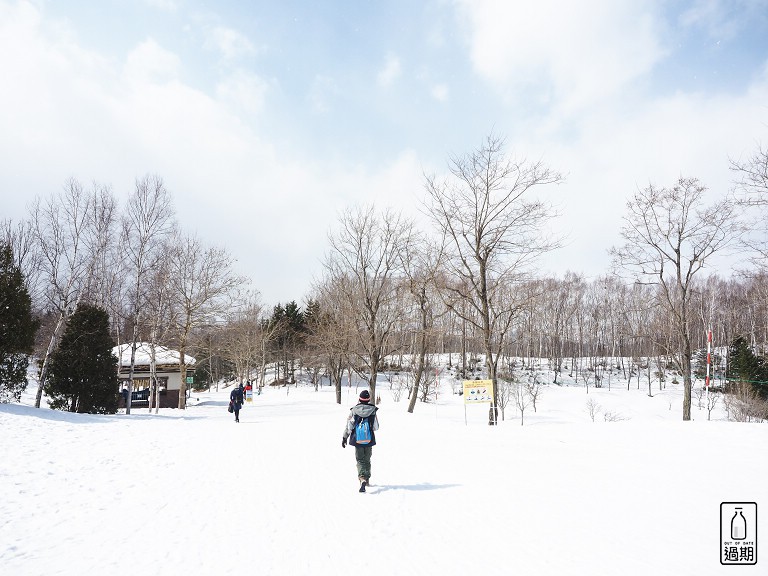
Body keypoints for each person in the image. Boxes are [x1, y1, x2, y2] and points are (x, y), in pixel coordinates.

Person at [341, 390, 379, 492]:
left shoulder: (354, 410)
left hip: (357, 440)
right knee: (367, 459)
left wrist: (345, 437)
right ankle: (367, 479)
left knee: (360, 460)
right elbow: (376, 427)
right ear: (368, 399)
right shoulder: (373, 411)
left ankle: (362, 478)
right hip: (369, 439)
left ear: (359, 399)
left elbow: (349, 426)